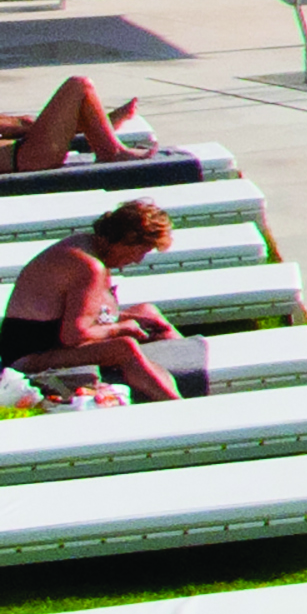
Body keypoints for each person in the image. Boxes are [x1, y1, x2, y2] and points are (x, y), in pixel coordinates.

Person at [4, 204, 187, 404]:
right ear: (127, 240)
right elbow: (74, 335)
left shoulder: (86, 243)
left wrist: (130, 320)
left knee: (148, 312)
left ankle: (192, 363)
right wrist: (121, 328)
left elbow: (81, 315)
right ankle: (176, 404)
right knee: (124, 348)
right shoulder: (89, 266)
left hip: (51, 338)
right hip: (28, 358)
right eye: (141, 251)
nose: (138, 260)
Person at [4, 75, 158, 177]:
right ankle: (111, 150)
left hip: (25, 155)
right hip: (28, 158)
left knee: (38, 120)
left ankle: (99, 127)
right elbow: (18, 126)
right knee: (79, 85)